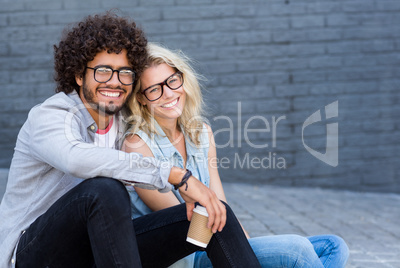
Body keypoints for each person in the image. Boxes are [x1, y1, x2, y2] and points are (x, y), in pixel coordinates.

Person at [0, 12, 262, 268]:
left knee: (212, 214)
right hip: (33, 255)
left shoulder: (123, 122)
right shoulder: (51, 115)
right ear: (79, 75)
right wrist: (178, 176)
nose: (115, 82)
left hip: (101, 248)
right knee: (103, 189)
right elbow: (75, 158)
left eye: (124, 72)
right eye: (103, 71)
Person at [122, 42, 350, 268]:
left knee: (334, 246)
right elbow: (185, 222)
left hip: (221, 241)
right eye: (154, 89)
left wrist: (247, 251)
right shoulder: (137, 145)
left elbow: (221, 205)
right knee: (298, 251)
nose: (169, 93)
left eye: (172, 81)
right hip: (188, 255)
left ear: (182, 79)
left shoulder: (201, 132)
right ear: (140, 98)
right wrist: (244, 250)